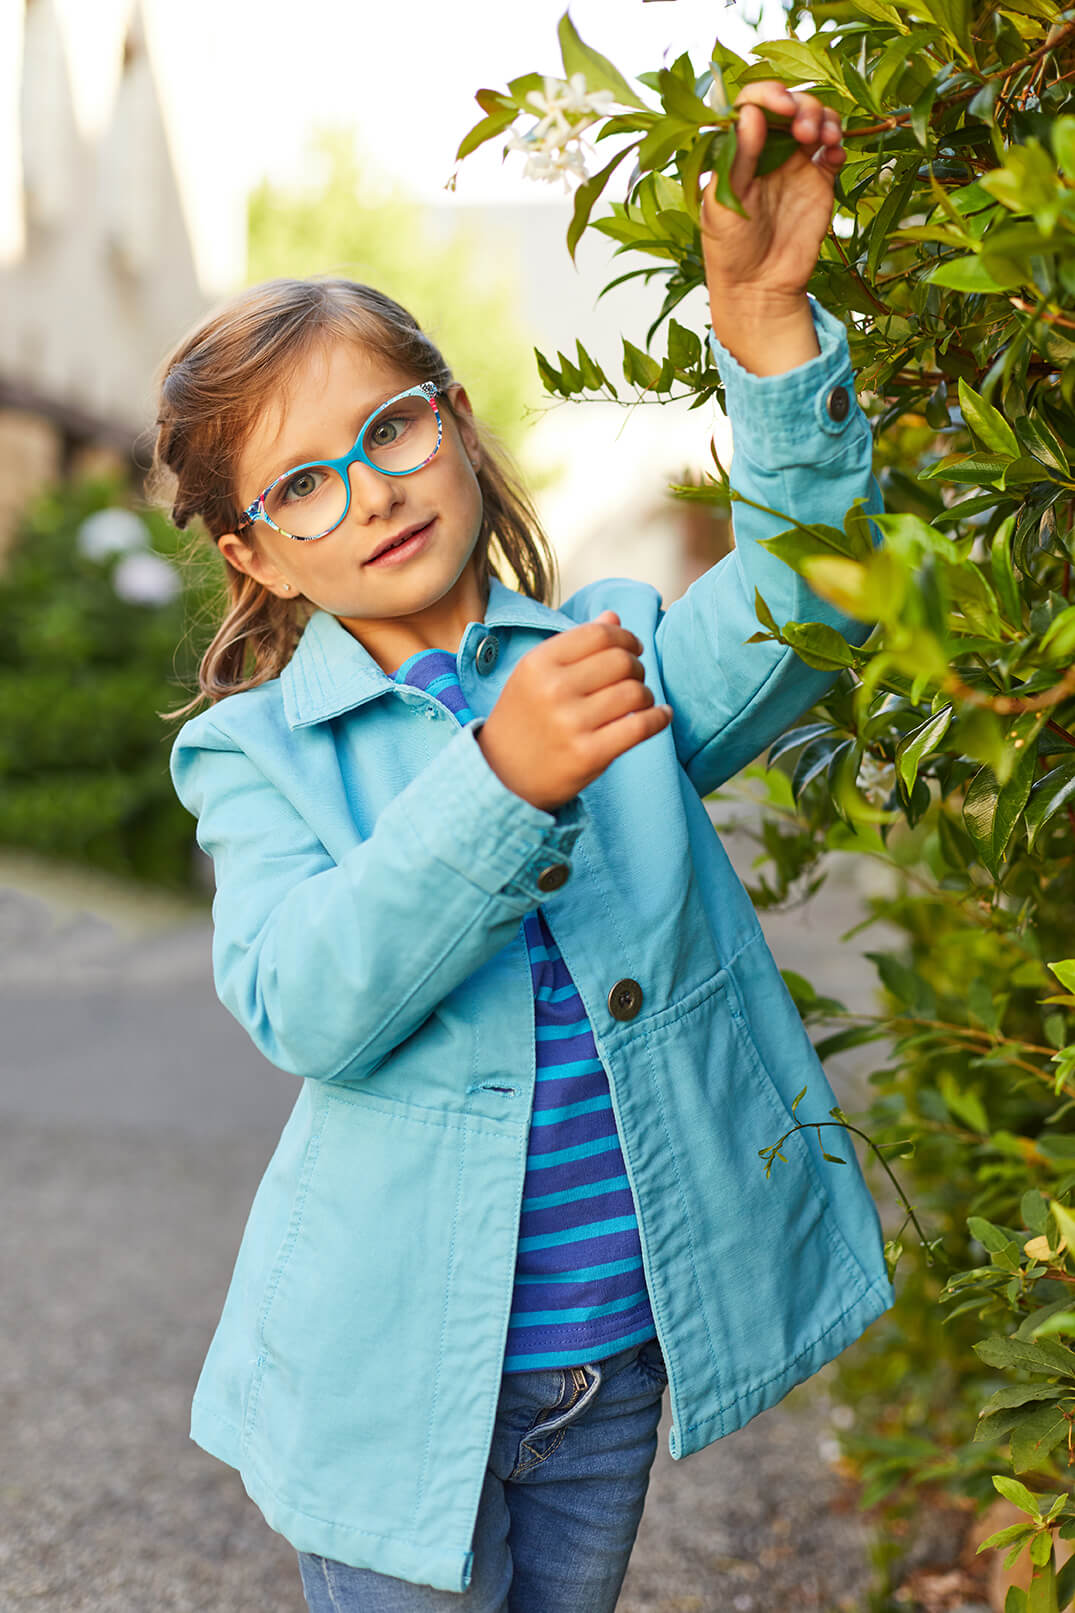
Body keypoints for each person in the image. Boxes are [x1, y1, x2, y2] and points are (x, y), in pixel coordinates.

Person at [154, 79, 894, 1613]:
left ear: (459, 423)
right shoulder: (254, 753)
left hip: (601, 1360)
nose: (369, 491)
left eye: (391, 427)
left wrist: (764, 332)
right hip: (380, 1377)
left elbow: (813, 608)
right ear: (254, 552)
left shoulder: (612, 651)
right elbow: (309, 994)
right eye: (303, 481)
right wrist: (500, 779)